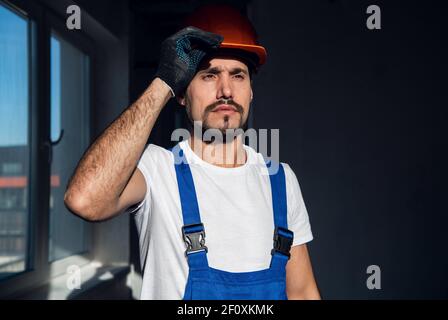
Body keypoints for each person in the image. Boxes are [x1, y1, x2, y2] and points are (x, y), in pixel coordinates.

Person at [64, 4, 320, 300]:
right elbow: (84, 200)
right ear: (183, 93)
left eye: (238, 75)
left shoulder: (282, 180)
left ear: (250, 91)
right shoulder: (157, 169)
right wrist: (163, 83)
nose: (226, 89)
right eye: (209, 75)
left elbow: (302, 293)